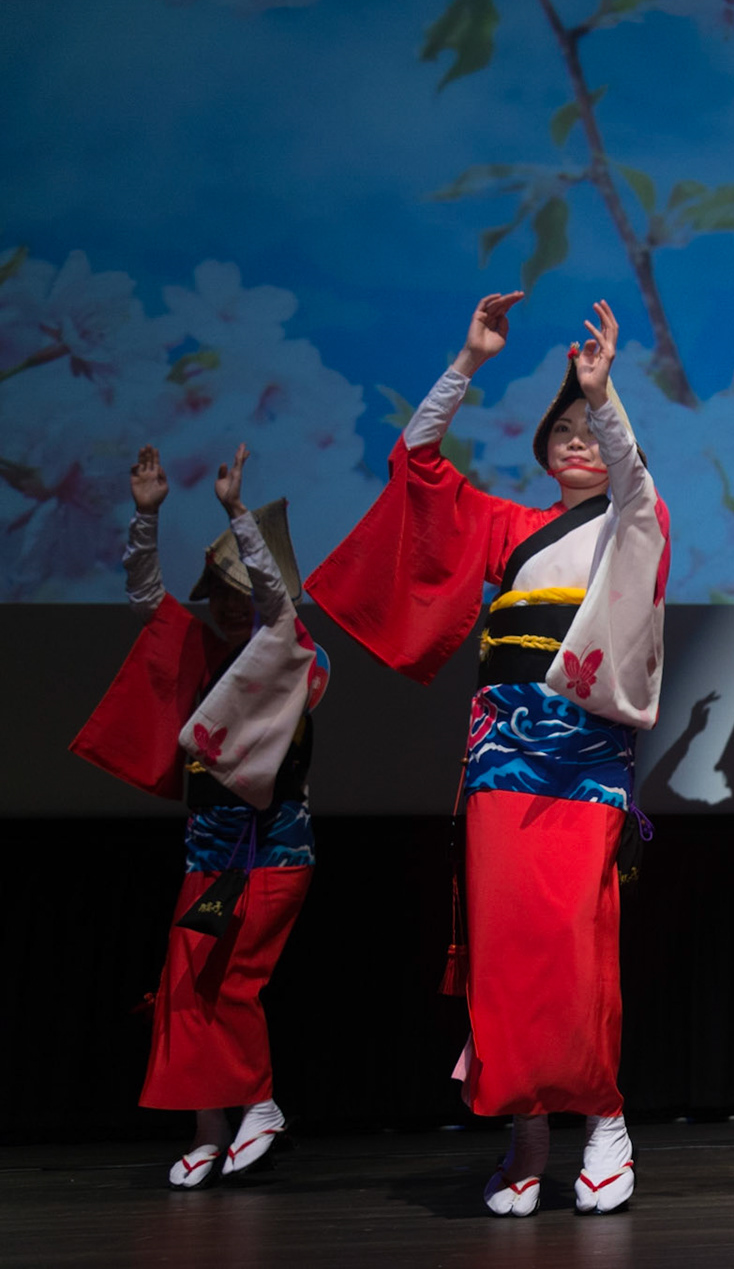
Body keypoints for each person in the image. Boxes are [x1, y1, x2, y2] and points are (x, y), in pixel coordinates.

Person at [305, 294, 670, 1216]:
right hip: (502, 758)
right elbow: (417, 465)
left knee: (577, 947)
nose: (582, 440)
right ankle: (527, 1125)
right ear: (544, 449)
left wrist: (606, 390)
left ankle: (604, 1117)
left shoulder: (633, 520)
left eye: (595, 428)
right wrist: (468, 361)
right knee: (505, 949)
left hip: (584, 762)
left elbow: (633, 478)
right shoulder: (509, 530)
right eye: (567, 429)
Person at [72, 444, 326, 1190]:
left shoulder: (290, 653)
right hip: (208, 851)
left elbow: (277, 606)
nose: (223, 600)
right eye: (216, 588)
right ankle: (209, 1128)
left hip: (272, 851)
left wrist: (235, 513)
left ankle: (260, 1102)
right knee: (185, 990)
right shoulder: (203, 648)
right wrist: (146, 517)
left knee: (233, 984)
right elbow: (148, 600)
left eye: (236, 587)